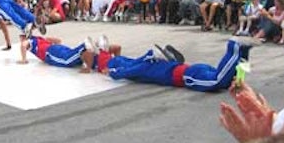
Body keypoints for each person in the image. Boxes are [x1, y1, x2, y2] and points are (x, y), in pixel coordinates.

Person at [107, 39, 252, 92]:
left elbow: (124, 72)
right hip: (192, 69)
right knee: (227, 83)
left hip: (187, 76)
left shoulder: (144, 66)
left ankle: (234, 47)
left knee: (217, 81)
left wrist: (111, 71)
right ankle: (245, 52)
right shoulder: (146, 62)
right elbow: (130, 65)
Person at [17, 34, 121, 74]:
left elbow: (23, 45)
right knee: (72, 54)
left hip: (50, 52)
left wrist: (23, 59)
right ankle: (91, 47)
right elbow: (58, 40)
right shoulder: (40, 39)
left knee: (67, 60)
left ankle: (85, 46)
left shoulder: (30, 41)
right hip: (57, 48)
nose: (20, 39)